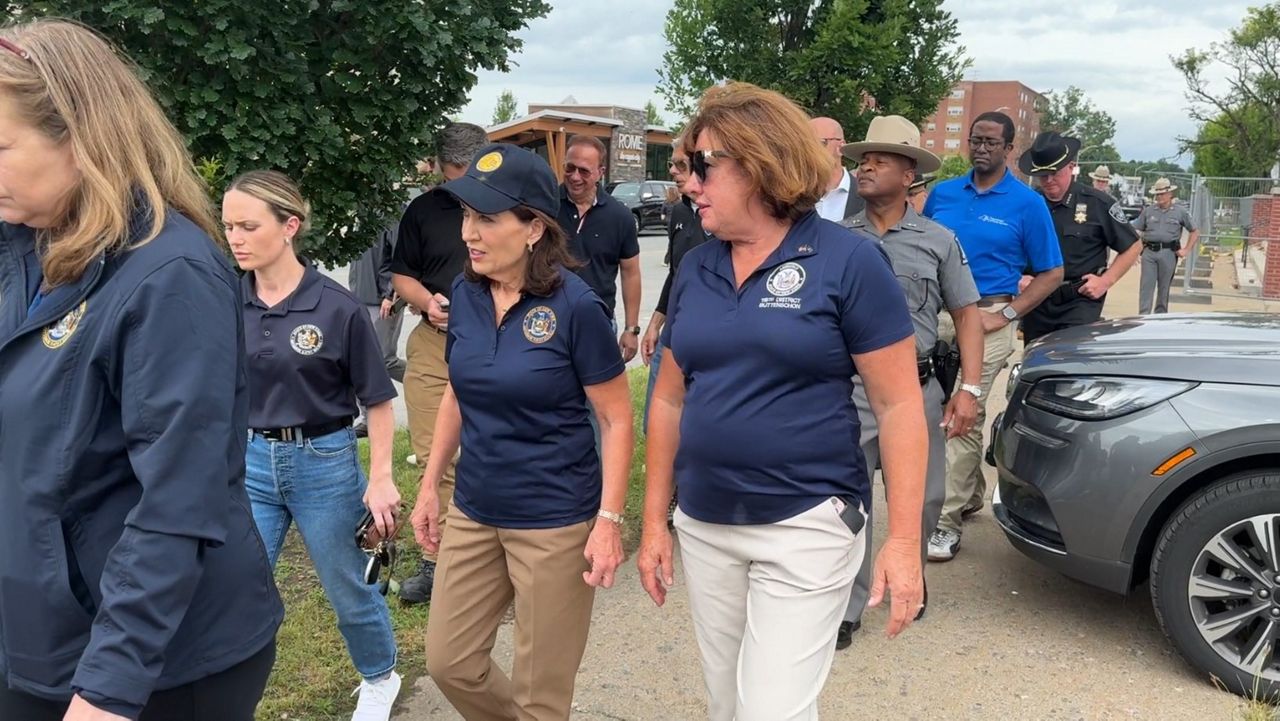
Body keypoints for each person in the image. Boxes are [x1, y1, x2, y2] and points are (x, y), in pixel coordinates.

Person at [0, 20, 281, 721]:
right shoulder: (21, 251)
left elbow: (178, 501)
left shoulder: (169, 273)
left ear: (79, 133)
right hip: (37, 636)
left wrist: (108, 690)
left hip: (155, 661)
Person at [637, 82, 927, 721]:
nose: (690, 184)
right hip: (707, 524)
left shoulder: (850, 261)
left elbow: (900, 406)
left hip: (806, 524)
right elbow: (668, 401)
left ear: (761, 164)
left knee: (771, 710)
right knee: (726, 703)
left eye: (705, 166)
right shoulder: (696, 267)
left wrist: (903, 542)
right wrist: (654, 522)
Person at [411, 143, 633, 720]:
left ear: (534, 228)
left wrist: (608, 521)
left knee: (542, 691)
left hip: (554, 521)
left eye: (486, 218)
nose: (469, 233)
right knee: (450, 661)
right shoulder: (467, 292)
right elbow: (459, 389)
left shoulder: (576, 307)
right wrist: (431, 483)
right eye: (466, 216)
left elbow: (614, 416)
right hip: (476, 508)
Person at [223, 170, 402, 721]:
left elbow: (376, 399)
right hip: (251, 462)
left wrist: (381, 477)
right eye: (228, 225)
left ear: (290, 226)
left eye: (248, 226)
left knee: (349, 590)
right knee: (234, 585)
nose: (235, 237)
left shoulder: (337, 307)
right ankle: (226, 691)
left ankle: (380, 677)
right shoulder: (228, 299)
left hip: (323, 463)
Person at [836, 115, 984, 649]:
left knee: (922, 499)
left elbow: (967, 314)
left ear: (908, 173)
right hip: (848, 391)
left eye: (880, 159)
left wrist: (969, 389)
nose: (866, 166)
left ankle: (907, 581)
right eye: (862, 159)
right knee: (848, 500)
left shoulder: (938, 240)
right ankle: (847, 607)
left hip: (918, 389)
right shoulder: (834, 239)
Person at [922, 111, 1064, 562]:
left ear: (1008, 148)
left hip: (988, 318)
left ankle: (943, 523)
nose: (981, 148)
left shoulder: (1027, 203)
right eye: (975, 140)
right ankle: (969, 493)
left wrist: (1006, 313)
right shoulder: (942, 195)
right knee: (933, 408)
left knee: (963, 413)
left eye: (991, 142)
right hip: (939, 316)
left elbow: (1052, 272)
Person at [390, 122, 489, 604]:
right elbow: (402, 275)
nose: (458, 186)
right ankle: (438, 562)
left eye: (466, 175)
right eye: (452, 176)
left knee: (490, 451)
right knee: (436, 456)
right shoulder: (424, 210)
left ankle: (491, 555)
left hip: (494, 344)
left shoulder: (511, 208)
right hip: (433, 345)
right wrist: (427, 301)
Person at [1017, 132, 1141, 344]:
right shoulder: (1027, 203)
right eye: (1042, 175)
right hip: (1036, 299)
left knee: (1070, 361)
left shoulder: (1097, 203)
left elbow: (1133, 245)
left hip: (1079, 300)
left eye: (1054, 173)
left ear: (1070, 167)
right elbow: (1008, 246)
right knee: (1036, 363)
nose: (1048, 181)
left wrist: (1105, 281)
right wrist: (1016, 277)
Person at [642, 136, 711, 429]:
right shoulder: (679, 212)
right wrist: (654, 324)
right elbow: (676, 273)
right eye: (671, 163)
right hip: (674, 331)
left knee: (694, 427)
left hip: (708, 338)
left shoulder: (724, 217)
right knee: (656, 423)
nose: (672, 170)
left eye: (680, 164)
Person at [557, 134, 642, 361]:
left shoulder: (620, 216)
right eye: (569, 168)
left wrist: (631, 329)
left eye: (584, 171)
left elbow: (630, 273)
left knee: (597, 396)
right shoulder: (545, 207)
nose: (575, 176)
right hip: (548, 321)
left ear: (600, 173)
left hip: (598, 323)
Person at [349, 214, 407, 437]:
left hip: (383, 301)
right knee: (362, 360)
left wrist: (390, 292)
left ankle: (430, 385)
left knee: (383, 359)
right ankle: (366, 419)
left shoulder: (389, 212)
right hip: (361, 297)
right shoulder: (361, 212)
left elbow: (398, 256)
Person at [1134, 177, 1199, 314]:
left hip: (1169, 253)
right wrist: (1135, 251)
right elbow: (1137, 231)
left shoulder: (1180, 212)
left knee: (1164, 288)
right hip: (1149, 252)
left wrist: (1186, 250)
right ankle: (1143, 317)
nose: (1159, 197)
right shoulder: (1148, 211)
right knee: (1146, 286)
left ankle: (1160, 317)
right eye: (1157, 194)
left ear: (1170, 194)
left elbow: (1194, 231)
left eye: (1162, 193)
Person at [811, 116, 866, 222]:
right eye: (805, 145)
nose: (810, 151)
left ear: (841, 147)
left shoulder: (866, 197)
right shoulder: (790, 196)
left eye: (820, 143)